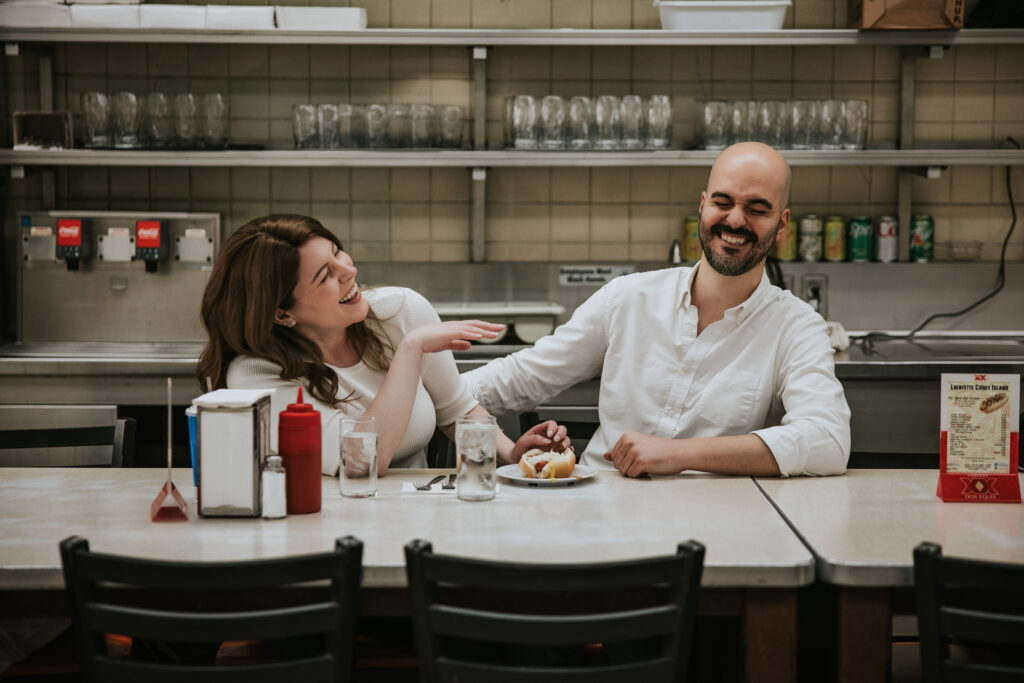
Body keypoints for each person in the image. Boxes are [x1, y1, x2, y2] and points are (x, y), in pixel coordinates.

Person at [464, 142, 851, 477]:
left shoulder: (796, 327)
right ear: (702, 205)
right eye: (722, 201)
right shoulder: (628, 299)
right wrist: (421, 385)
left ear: (781, 225)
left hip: (717, 526)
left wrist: (680, 455)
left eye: (757, 208)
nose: (735, 219)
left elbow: (828, 440)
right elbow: (513, 379)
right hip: (600, 514)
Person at [197, 214, 568, 476]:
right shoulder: (256, 376)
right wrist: (410, 351)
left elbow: (458, 412)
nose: (350, 271)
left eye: (338, 253)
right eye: (326, 275)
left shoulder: (401, 311)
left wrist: (512, 453)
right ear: (282, 314)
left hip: (418, 514)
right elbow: (359, 463)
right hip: (320, 527)